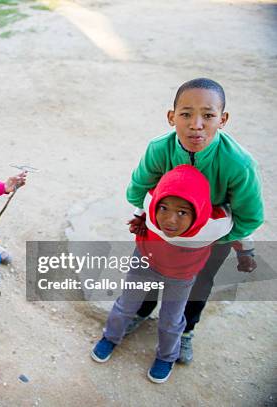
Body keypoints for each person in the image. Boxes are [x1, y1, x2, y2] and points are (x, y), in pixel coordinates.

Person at [125, 78, 263, 363]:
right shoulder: (159, 148)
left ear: (222, 120)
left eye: (208, 115)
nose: (196, 124)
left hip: (211, 237)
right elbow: (137, 189)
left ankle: (186, 329)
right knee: (151, 271)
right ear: (171, 117)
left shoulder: (239, 163)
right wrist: (155, 221)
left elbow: (250, 216)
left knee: (200, 281)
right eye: (186, 114)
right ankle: (141, 312)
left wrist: (211, 237)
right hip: (163, 231)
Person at [92, 165, 238, 383]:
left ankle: (166, 356)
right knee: (125, 305)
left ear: (199, 211)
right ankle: (110, 337)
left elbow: (242, 224)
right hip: (144, 261)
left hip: (181, 277)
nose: (170, 220)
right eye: (164, 208)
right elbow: (146, 201)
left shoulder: (214, 224)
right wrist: (139, 216)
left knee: (171, 319)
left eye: (182, 212)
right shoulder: (151, 201)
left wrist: (247, 252)